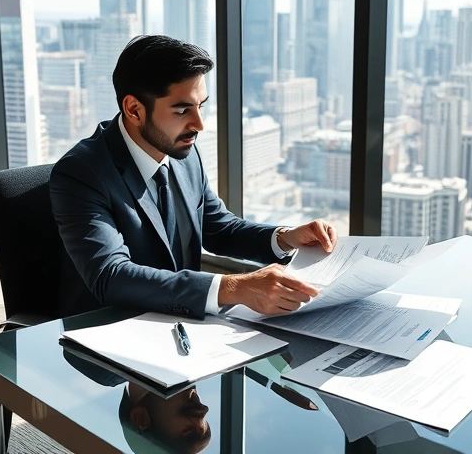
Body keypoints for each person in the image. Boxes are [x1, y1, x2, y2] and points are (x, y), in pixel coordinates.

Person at [51, 35, 338, 319]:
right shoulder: (81, 173)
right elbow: (111, 276)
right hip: (107, 333)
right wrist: (235, 287)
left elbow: (220, 230)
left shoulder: (181, 151)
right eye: (182, 109)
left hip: (181, 324)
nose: (198, 124)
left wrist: (287, 238)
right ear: (134, 109)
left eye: (200, 106)